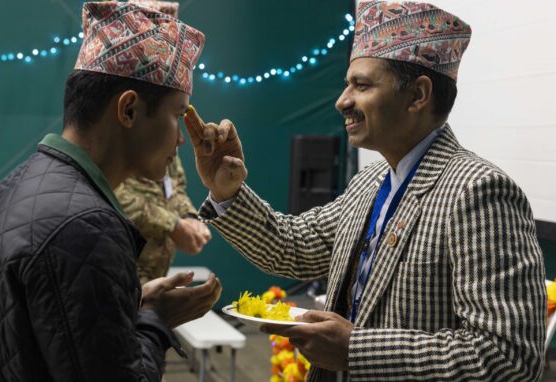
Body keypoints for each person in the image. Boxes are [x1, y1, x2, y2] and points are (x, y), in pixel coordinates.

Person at [183, 1, 546, 381]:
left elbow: (508, 357)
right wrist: (228, 191)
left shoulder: (478, 192)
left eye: (362, 85)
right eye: (346, 84)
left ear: (418, 95)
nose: (342, 100)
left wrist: (357, 349)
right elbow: (293, 248)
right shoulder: (370, 182)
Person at [0, 2, 221, 381]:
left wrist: (131, 306)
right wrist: (155, 320)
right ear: (128, 110)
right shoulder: (86, 226)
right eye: (177, 114)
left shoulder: (15, 187)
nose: (180, 138)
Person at [114, 0, 211, 284]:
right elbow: (113, 191)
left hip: (153, 274)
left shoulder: (162, 131)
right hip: (122, 273)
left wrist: (188, 216)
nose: (180, 139)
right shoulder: (119, 128)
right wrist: (171, 225)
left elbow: (174, 185)